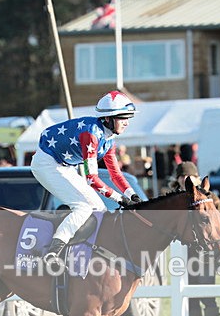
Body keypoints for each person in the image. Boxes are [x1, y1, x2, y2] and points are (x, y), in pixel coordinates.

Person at [31, 90, 142, 265]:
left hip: (64, 165)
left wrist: (132, 195)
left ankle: (81, 251)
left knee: (99, 208)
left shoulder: (108, 139)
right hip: (47, 163)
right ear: (108, 119)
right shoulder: (91, 135)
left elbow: (115, 174)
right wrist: (120, 199)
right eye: (123, 118)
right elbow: (92, 179)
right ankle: (53, 252)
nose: (127, 123)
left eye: (128, 118)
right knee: (82, 207)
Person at [173, 161, 220, 316]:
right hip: (182, 255)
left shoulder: (209, 197)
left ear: (197, 177)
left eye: (190, 176)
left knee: (207, 297)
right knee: (190, 298)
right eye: (181, 176)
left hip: (205, 255)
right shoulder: (173, 198)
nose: (185, 179)